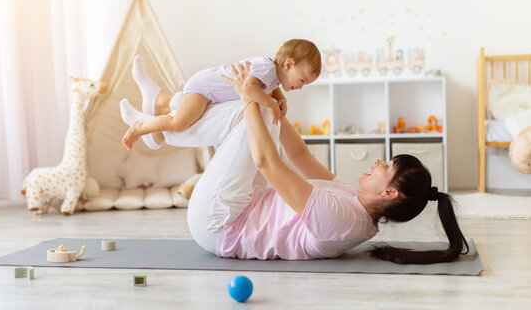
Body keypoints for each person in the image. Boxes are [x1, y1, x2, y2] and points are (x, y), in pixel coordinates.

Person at [124, 62, 469, 264]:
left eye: (386, 165)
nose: (378, 161)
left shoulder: (342, 219)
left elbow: (266, 163)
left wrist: (253, 96)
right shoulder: (352, 199)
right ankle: (160, 120)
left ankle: (162, 124)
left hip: (219, 225)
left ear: (391, 193)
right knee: (258, 109)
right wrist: (276, 109)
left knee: (252, 109)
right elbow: (300, 156)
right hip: (236, 208)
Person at [120, 38, 322, 150]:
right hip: (203, 88)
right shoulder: (267, 69)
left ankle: (154, 101)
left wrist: (281, 98)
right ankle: (141, 128)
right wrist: (270, 103)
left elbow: (270, 86)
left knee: (182, 115)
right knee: (179, 123)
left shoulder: (272, 72)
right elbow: (248, 89)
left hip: (207, 89)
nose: (301, 86)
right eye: (302, 80)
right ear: (288, 64)